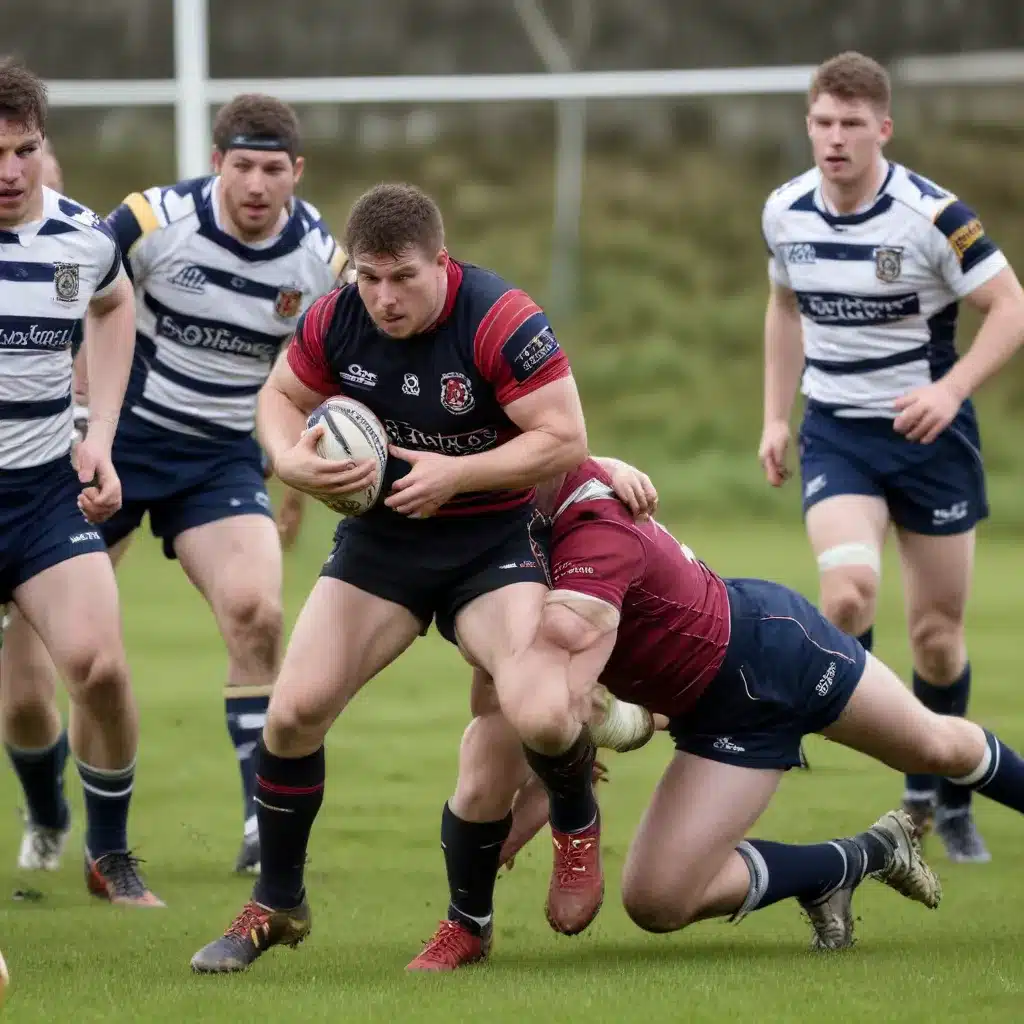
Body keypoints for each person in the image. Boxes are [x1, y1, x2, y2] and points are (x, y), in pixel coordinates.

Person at [189, 181, 597, 974]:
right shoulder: (336, 316)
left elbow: (566, 439)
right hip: (382, 544)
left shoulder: (500, 318)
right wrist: (290, 460)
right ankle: (277, 902)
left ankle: (575, 820)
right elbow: (279, 395)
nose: (383, 297)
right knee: (293, 711)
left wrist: (460, 474)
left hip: (490, 539)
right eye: (368, 278)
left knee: (542, 714)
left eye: (402, 277)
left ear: (440, 262)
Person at [419, 455, 1024, 968]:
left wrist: (590, 743)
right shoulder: (508, 548)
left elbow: (584, 714)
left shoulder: (592, 521)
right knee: (656, 902)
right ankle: (861, 857)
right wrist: (501, 828)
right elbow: (540, 724)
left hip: (776, 651)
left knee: (938, 748)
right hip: (712, 721)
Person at [0, 93, 348, 876]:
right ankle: (51, 806)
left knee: (256, 612)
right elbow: (80, 281)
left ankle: (261, 817)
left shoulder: (320, 260)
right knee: (31, 683)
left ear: (297, 173)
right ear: (216, 162)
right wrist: (86, 415)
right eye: (242, 166)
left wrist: (296, 474)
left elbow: (322, 370)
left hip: (222, 455)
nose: (257, 185)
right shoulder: (155, 219)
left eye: (273, 170)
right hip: (119, 445)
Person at [756, 51, 1024, 862]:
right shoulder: (785, 210)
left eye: (851, 124)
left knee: (937, 636)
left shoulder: (934, 216)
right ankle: (883, 736)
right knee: (848, 592)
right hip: (837, 431)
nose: (834, 139)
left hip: (932, 441)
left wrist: (951, 391)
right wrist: (775, 414)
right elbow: (784, 309)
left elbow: (1009, 308)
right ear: (808, 124)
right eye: (823, 122)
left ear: (883, 128)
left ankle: (940, 798)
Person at [0, 57, 161, 905]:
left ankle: (109, 851)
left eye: (24, 149)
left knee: (97, 668)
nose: (9, 171)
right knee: (23, 705)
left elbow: (112, 306)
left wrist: (98, 436)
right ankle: (45, 816)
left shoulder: (81, 235)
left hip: (39, 496)